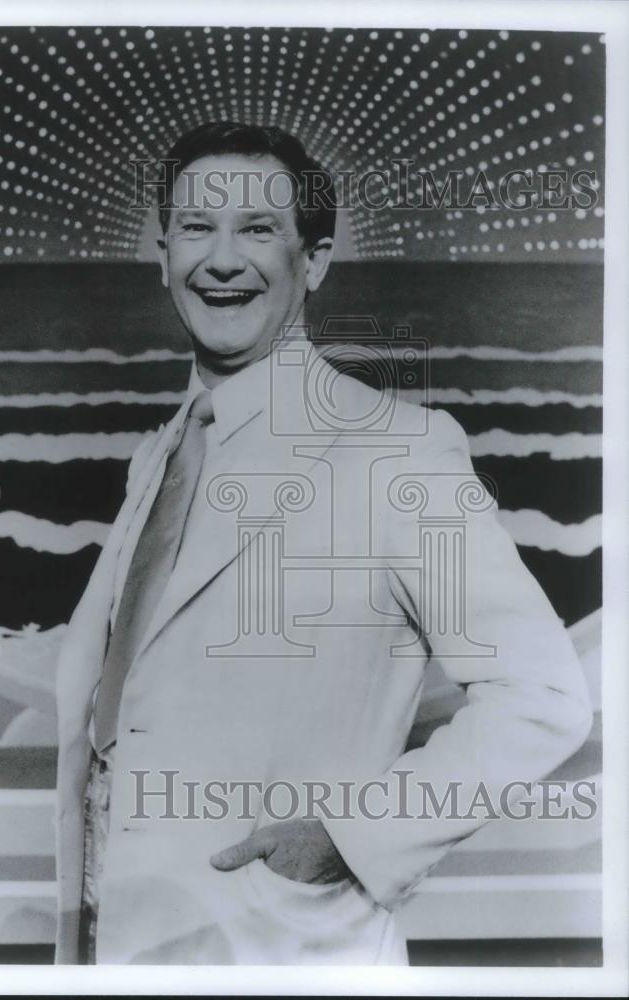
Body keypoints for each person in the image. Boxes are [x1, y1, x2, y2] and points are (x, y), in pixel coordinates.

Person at [53, 122, 592, 965]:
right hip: (111, 942)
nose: (221, 260)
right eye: (196, 227)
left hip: (283, 950)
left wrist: (351, 835)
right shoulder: (158, 455)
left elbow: (544, 694)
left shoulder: (398, 450)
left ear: (315, 258)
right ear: (162, 255)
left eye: (257, 229)